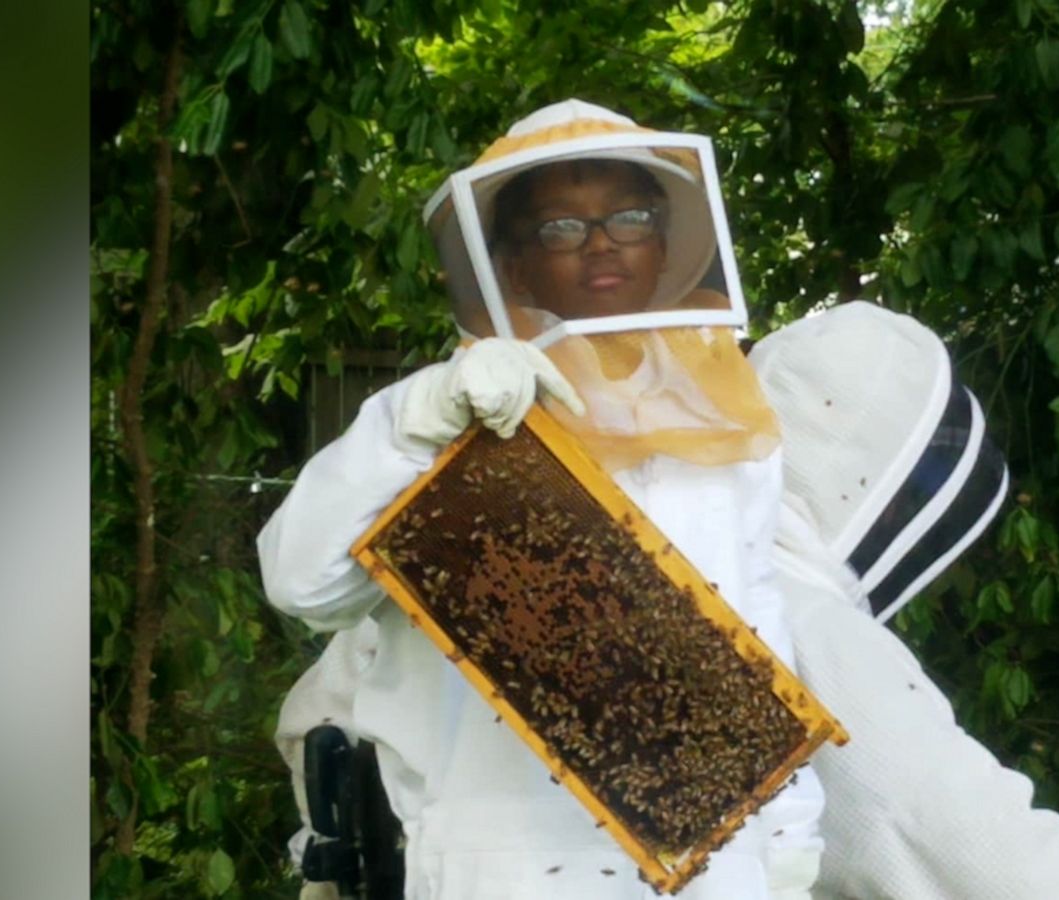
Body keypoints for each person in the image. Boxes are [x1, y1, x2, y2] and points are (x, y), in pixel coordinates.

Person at [258, 100, 823, 899]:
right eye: (560, 226)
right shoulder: (440, 413)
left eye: (628, 216)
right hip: (502, 859)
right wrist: (424, 423)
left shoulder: (725, 423)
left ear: (664, 241)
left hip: (711, 857)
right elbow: (301, 585)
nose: (601, 243)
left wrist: (791, 827)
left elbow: (757, 625)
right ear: (511, 262)